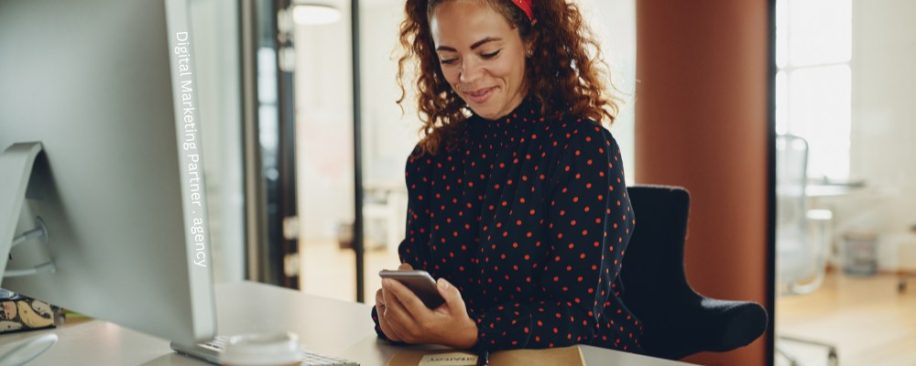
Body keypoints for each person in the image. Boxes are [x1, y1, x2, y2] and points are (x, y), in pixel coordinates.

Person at [371, 0, 642, 353]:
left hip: (583, 356)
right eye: (449, 59)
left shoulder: (583, 149)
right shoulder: (429, 160)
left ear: (530, 40)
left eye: (488, 52)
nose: (467, 76)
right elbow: (423, 286)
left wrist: (472, 332)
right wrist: (400, 313)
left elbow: (575, 314)